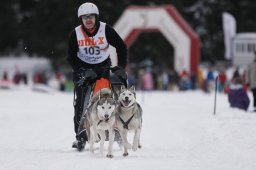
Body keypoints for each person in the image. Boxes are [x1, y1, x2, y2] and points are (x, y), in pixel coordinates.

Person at [67, 2, 127, 151]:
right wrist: (81, 71)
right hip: (83, 69)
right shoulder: (75, 33)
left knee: (106, 100)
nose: (88, 20)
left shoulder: (105, 29)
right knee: (81, 102)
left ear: (96, 17)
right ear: (81, 19)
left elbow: (121, 46)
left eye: (91, 17)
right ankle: (80, 136)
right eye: (85, 17)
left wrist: (121, 67)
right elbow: (71, 57)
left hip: (102, 68)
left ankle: (116, 131)